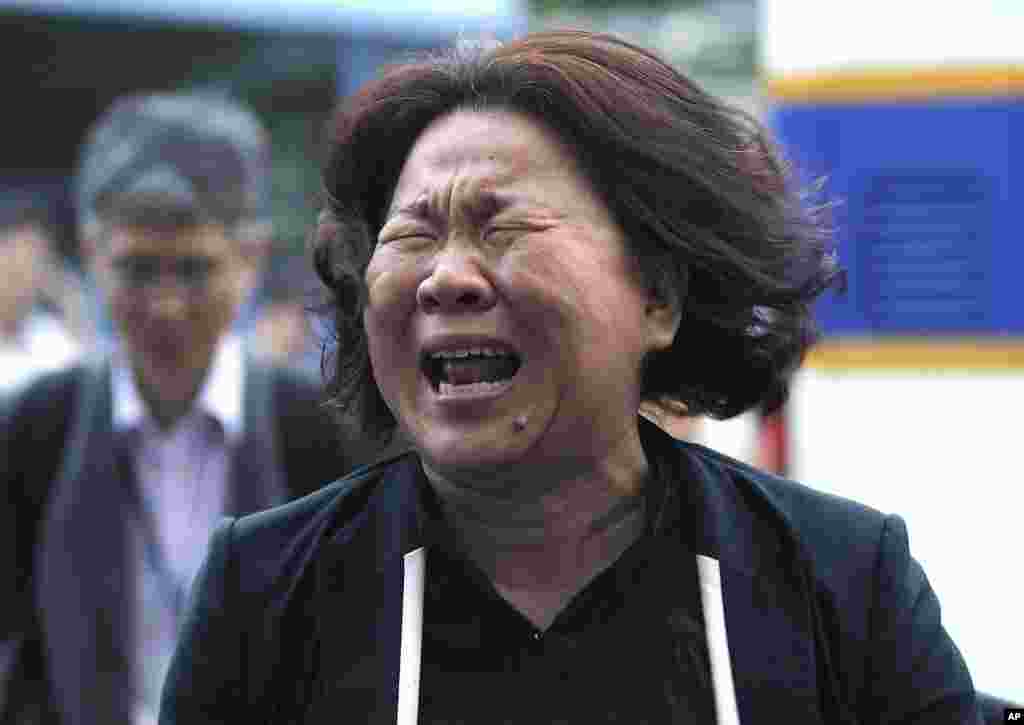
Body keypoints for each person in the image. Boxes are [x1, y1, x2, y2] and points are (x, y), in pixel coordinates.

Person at [159, 32, 981, 724]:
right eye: (412, 233)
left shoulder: (841, 586)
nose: (445, 278)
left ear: (658, 295)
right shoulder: (265, 596)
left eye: (501, 224)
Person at [0, 93, 376, 725]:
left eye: (194, 270)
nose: (166, 306)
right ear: (92, 258)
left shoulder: (321, 433)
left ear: (251, 258)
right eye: (137, 270)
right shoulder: (32, 430)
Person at [0, 200, 83, 395]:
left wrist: (70, 300)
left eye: (36, 263)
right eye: (15, 266)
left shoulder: (52, 335)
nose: (27, 278)